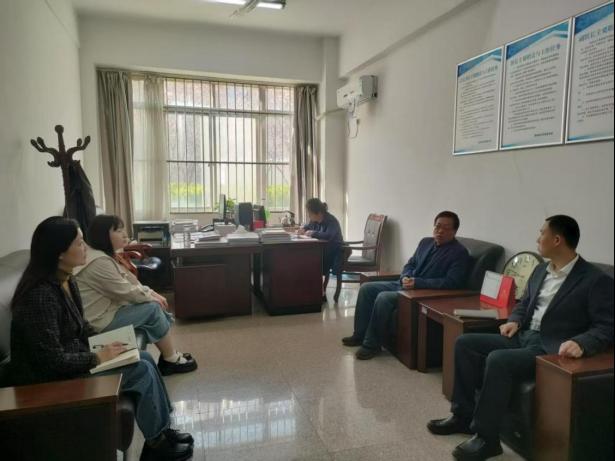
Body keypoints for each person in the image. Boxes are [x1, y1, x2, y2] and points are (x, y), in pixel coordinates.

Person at [427, 215, 614, 461]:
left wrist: (582, 342)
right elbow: (524, 302)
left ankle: (487, 438)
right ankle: (462, 415)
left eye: (542, 233)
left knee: (498, 360)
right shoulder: (540, 270)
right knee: (465, 343)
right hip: (523, 335)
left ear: (557, 240)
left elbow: (607, 325)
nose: (537, 238)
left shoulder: (595, 279)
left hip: (550, 347)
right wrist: (515, 319)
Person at [10, 217, 194, 461]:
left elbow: (82, 327)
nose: (85, 247)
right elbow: (51, 361)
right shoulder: (40, 296)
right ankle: (156, 445)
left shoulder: (66, 280)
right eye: (79, 243)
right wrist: (98, 356)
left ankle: (163, 430)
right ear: (59, 253)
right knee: (140, 370)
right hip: (51, 382)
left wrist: (107, 343)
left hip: (73, 358)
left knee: (145, 357)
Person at [74, 215, 197, 376]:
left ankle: (170, 356)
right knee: (152, 309)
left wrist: (152, 292)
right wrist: (152, 298)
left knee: (152, 305)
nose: (124, 234)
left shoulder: (102, 255)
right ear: (103, 235)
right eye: (118, 231)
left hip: (107, 312)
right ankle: (170, 359)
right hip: (99, 323)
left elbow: (129, 280)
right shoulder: (98, 262)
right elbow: (127, 292)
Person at [342, 211, 471, 360]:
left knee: (383, 298)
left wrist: (418, 282)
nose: (440, 231)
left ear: (454, 231)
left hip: (423, 292)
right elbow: (410, 264)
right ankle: (359, 335)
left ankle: (371, 345)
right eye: (438, 226)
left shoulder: (459, 253)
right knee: (367, 288)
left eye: (446, 228)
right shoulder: (425, 242)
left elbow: (452, 282)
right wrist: (406, 277)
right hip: (405, 284)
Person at [297, 198, 344, 299]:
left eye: (310, 213)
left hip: (334, 252)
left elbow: (329, 235)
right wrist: (303, 229)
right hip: (322, 250)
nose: (309, 216)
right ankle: (312, 290)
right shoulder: (314, 220)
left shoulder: (331, 220)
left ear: (318, 212)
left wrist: (313, 233)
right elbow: (308, 226)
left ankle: (318, 293)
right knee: (305, 259)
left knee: (312, 262)